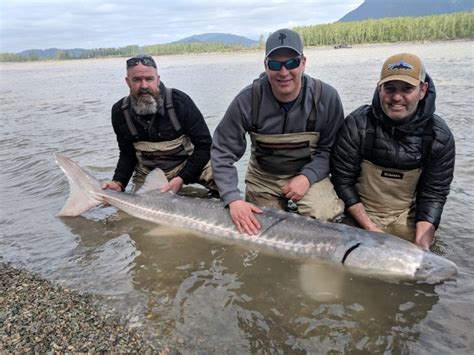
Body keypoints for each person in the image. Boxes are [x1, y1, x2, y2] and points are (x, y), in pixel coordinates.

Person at [211, 28, 345, 235]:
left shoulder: (326, 97)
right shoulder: (248, 99)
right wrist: (233, 199)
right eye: (275, 64)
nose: (284, 73)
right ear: (265, 66)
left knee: (326, 218)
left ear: (303, 62)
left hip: (307, 173)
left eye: (291, 63)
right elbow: (222, 152)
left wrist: (307, 177)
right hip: (264, 176)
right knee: (261, 229)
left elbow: (330, 149)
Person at [330, 53, 455, 249]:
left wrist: (422, 245)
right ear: (379, 88)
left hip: (405, 216)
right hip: (359, 213)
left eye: (407, 89)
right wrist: (370, 228)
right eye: (390, 88)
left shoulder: (439, 136)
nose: (397, 97)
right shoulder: (358, 124)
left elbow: (433, 194)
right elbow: (342, 181)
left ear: (423, 90)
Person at [103, 54, 214, 193]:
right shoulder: (120, 111)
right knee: (137, 210)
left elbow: (205, 146)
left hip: (186, 166)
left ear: (158, 79)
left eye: (149, 79)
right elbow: (127, 154)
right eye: (137, 80)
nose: (144, 85)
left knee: (221, 175)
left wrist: (182, 177)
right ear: (128, 82)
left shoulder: (179, 102)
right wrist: (118, 182)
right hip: (148, 174)